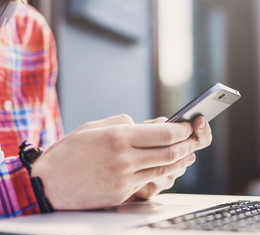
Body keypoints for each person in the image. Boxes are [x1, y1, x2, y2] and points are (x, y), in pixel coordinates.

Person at [0, 0, 212, 218]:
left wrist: (120, 179)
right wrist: (41, 185)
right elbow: (47, 180)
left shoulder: (32, 31)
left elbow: (49, 169)